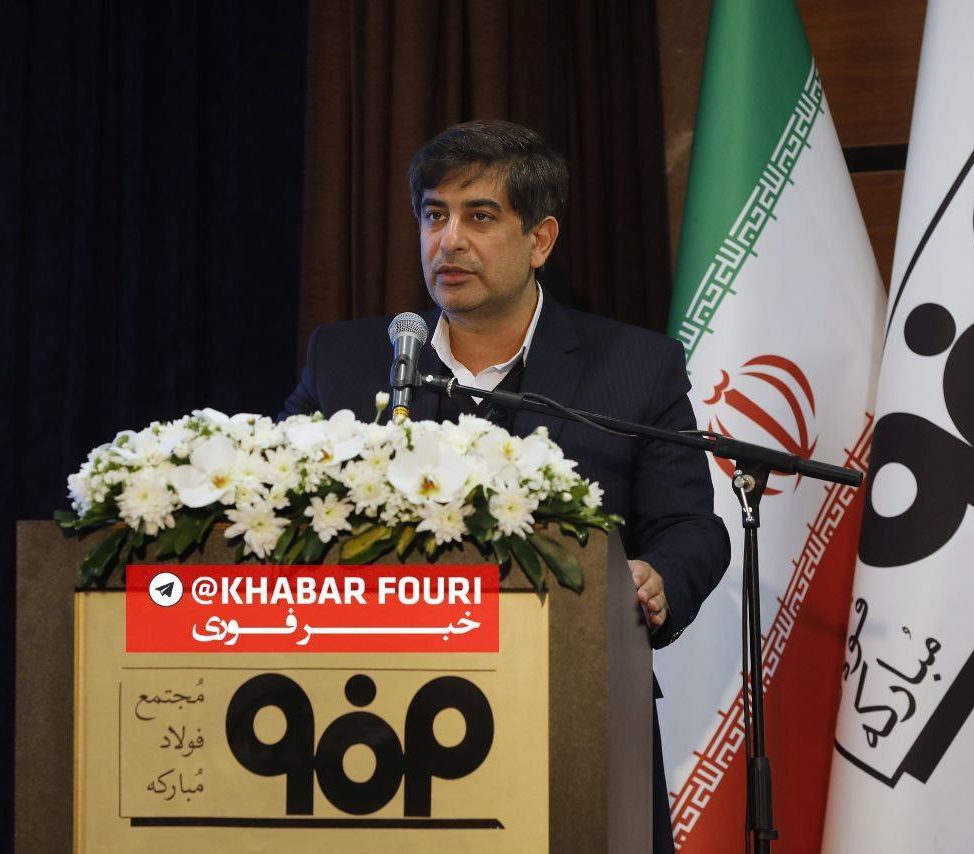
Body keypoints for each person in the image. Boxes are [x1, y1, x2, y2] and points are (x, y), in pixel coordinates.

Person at [282, 119, 729, 852]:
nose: (449, 240)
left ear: (540, 239)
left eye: (480, 216)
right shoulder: (349, 359)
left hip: (569, 707)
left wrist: (657, 577)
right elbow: (274, 495)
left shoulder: (634, 366)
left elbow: (690, 527)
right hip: (368, 720)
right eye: (435, 215)